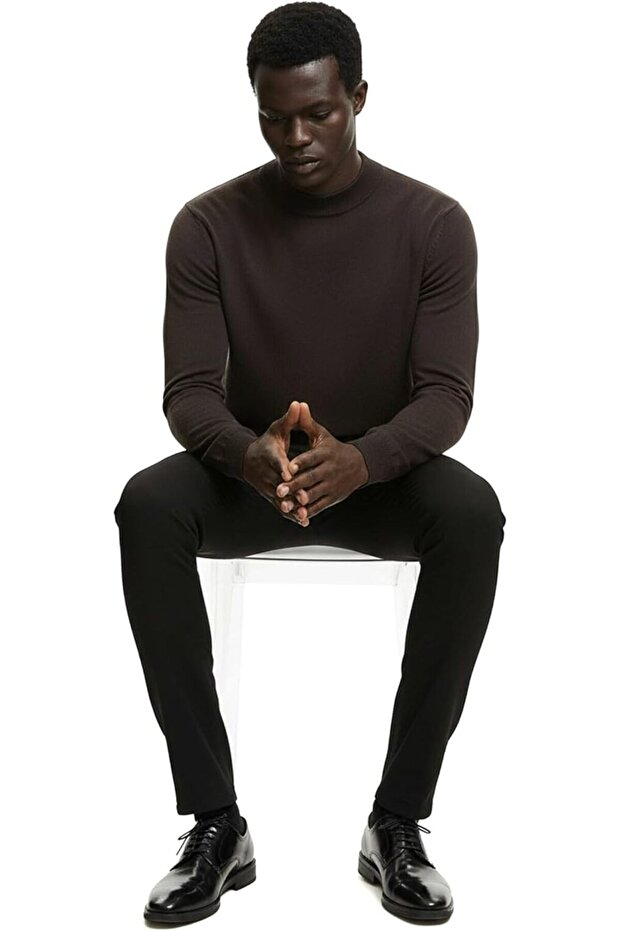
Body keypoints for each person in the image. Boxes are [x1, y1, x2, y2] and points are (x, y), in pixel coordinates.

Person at [113, 1, 506, 923]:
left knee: (472, 512)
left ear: (358, 97)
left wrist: (361, 459)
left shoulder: (433, 224)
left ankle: (396, 821)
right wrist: (244, 452)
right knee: (147, 503)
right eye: (274, 116)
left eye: (317, 113)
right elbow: (187, 392)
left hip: (377, 479)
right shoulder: (206, 224)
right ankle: (215, 822)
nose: (295, 137)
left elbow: (446, 395)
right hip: (254, 476)